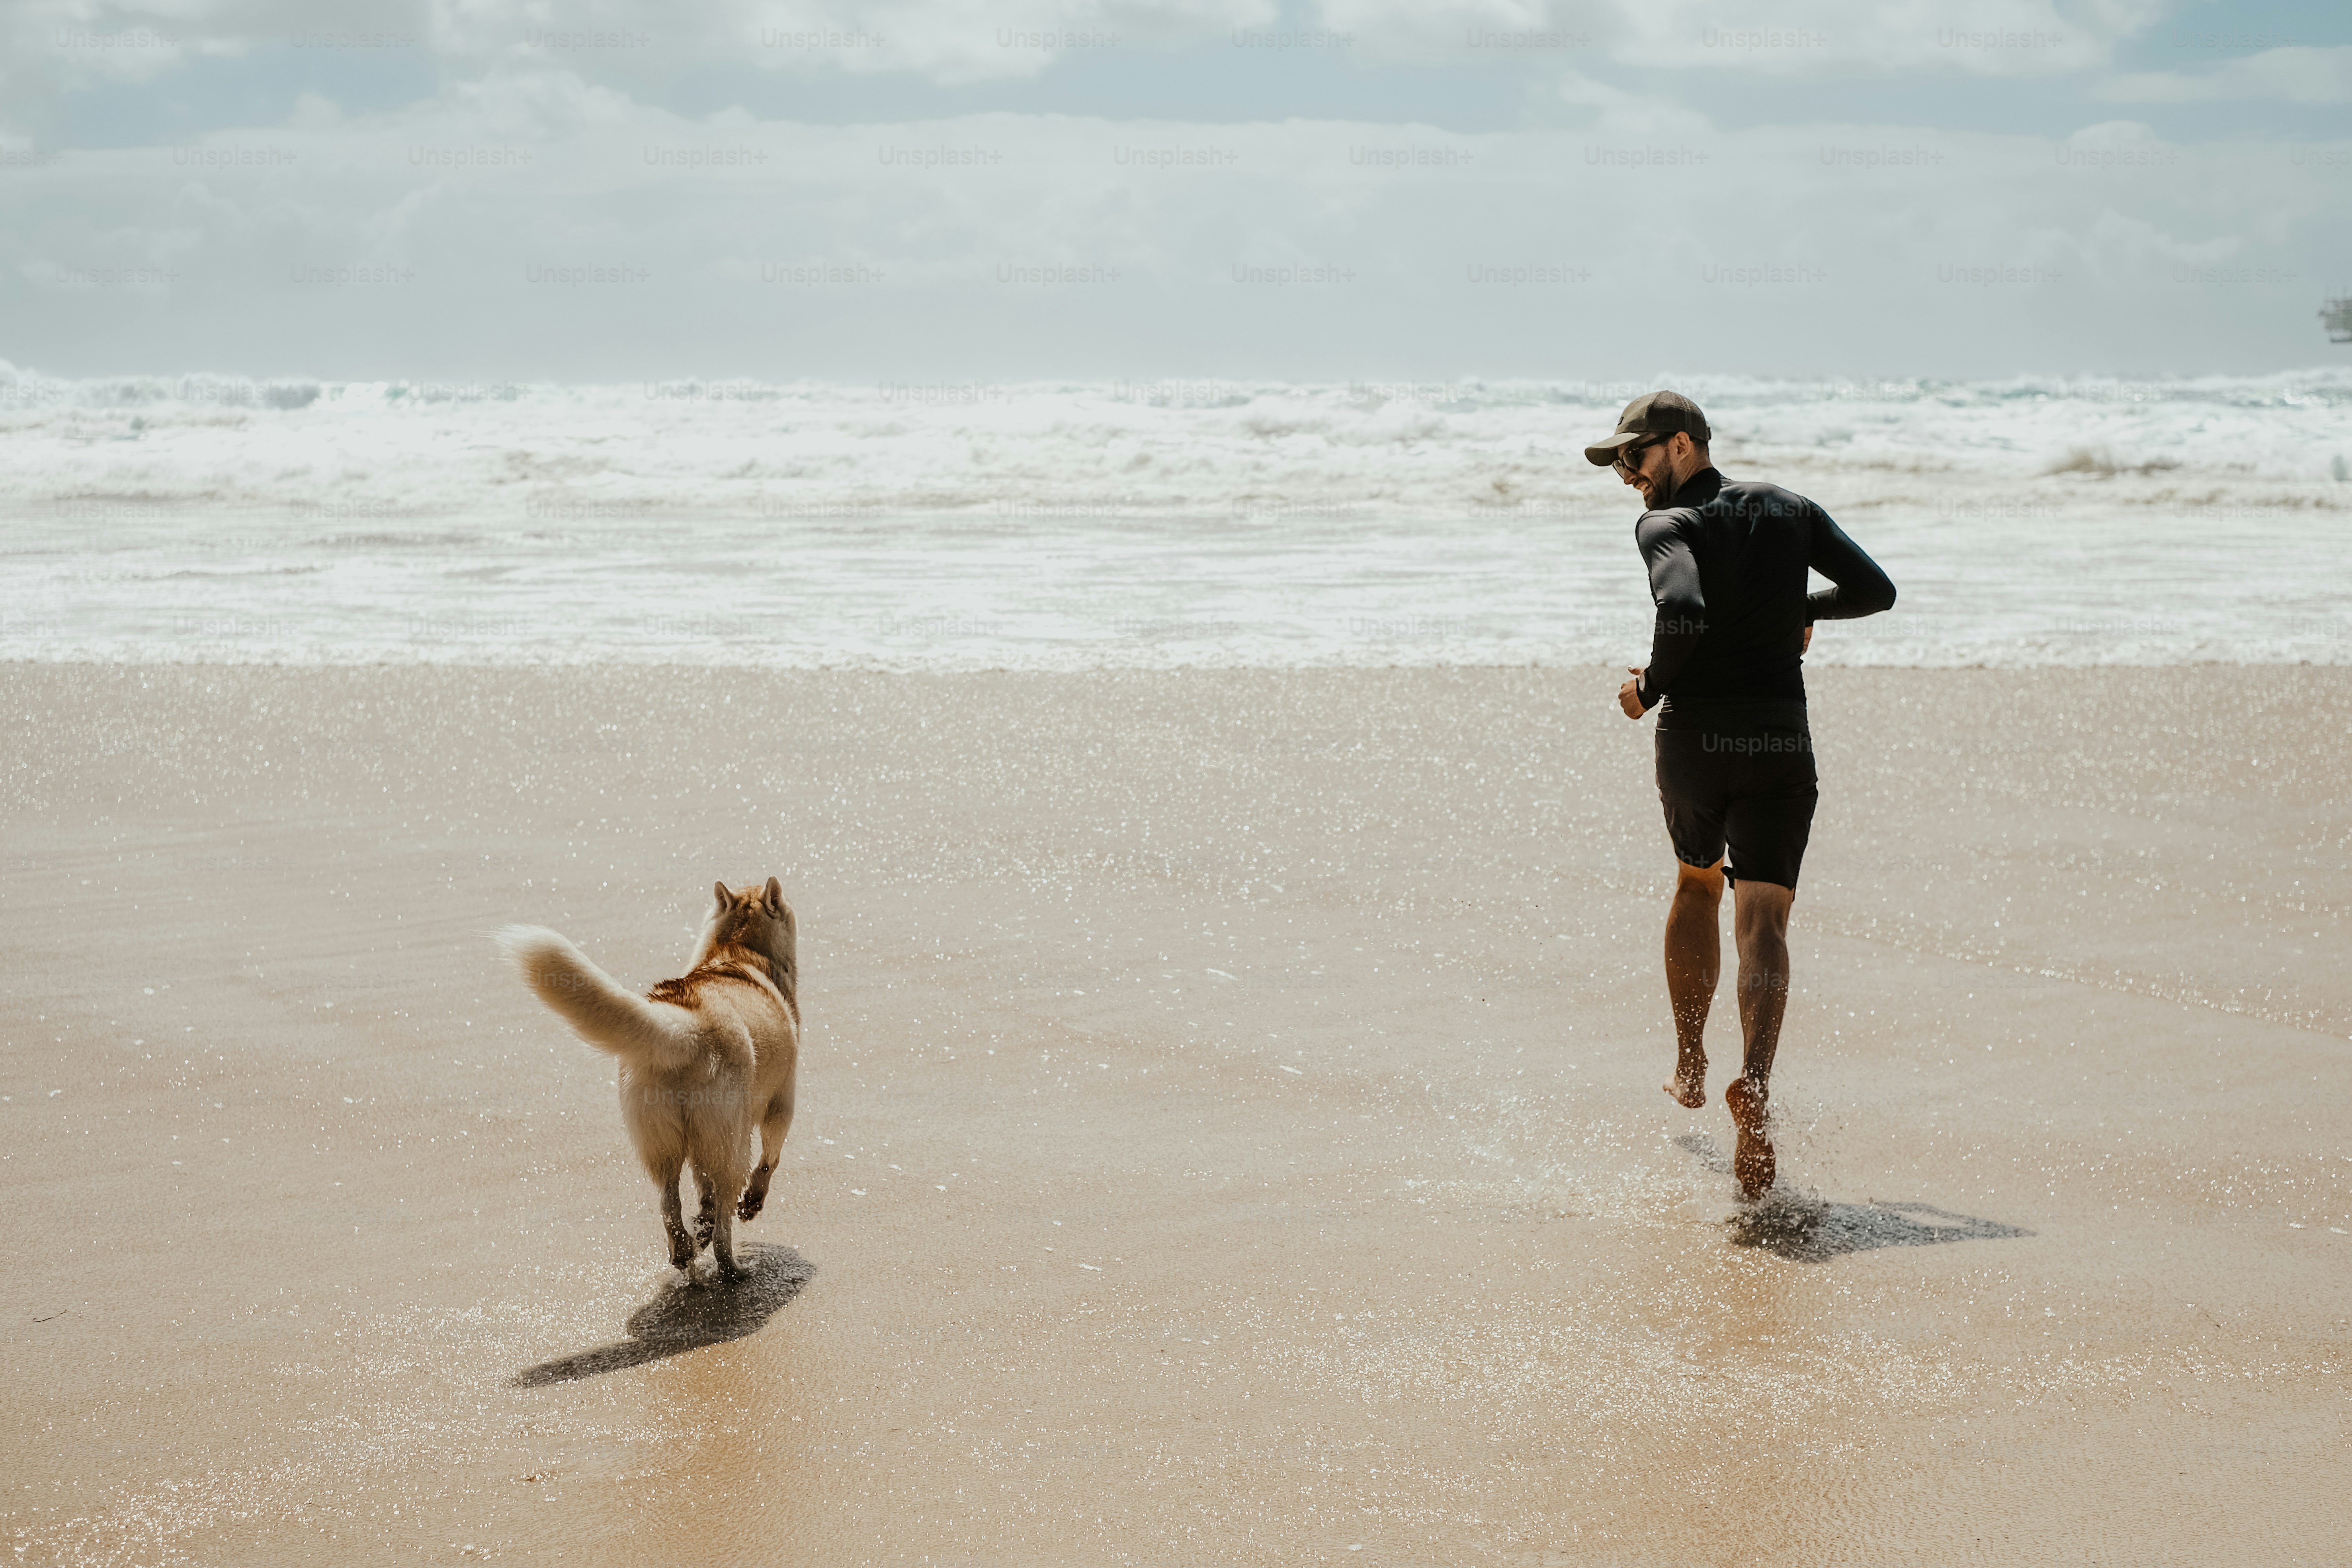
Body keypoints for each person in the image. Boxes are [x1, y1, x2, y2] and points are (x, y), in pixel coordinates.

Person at [1585, 391, 1896, 1200]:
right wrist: (1801, 607)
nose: (1625, 475)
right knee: (1762, 914)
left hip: (1693, 742)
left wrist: (1646, 686)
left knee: (1694, 881)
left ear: (1682, 446)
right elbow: (1873, 590)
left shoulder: (1665, 526)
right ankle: (1752, 1082)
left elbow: (1680, 611)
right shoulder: (1788, 509)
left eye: (1634, 456)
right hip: (1777, 739)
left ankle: (1690, 1056)